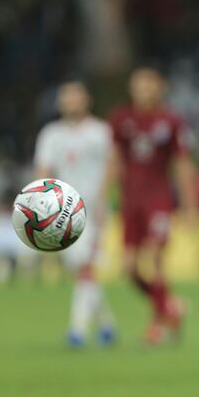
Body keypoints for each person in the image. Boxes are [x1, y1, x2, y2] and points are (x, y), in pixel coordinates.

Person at [107, 66, 196, 345]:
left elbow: (182, 165)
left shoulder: (170, 121)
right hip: (130, 200)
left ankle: (159, 323)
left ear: (159, 87)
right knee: (129, 268)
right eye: (138, 84)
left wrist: (190, 205)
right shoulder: (121, 119)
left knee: (156, 259)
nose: (143, 89)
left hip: (158, 199)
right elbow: (114, 161)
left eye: (149, 84)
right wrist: (101, 197)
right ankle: (169, 308)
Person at [34, 79, 116, 346]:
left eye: (75, 96)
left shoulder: (101, 131)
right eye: (66, 97)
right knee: (80, 269)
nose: (70, 102)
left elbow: (112, 168)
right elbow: (43, 171)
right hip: (62, 212)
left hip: (93, 209)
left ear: (86, 100)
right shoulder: (51, 134)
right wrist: (39, 203)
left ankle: (77, 330)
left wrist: (105, 201)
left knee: (86, 268)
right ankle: (107, 324)